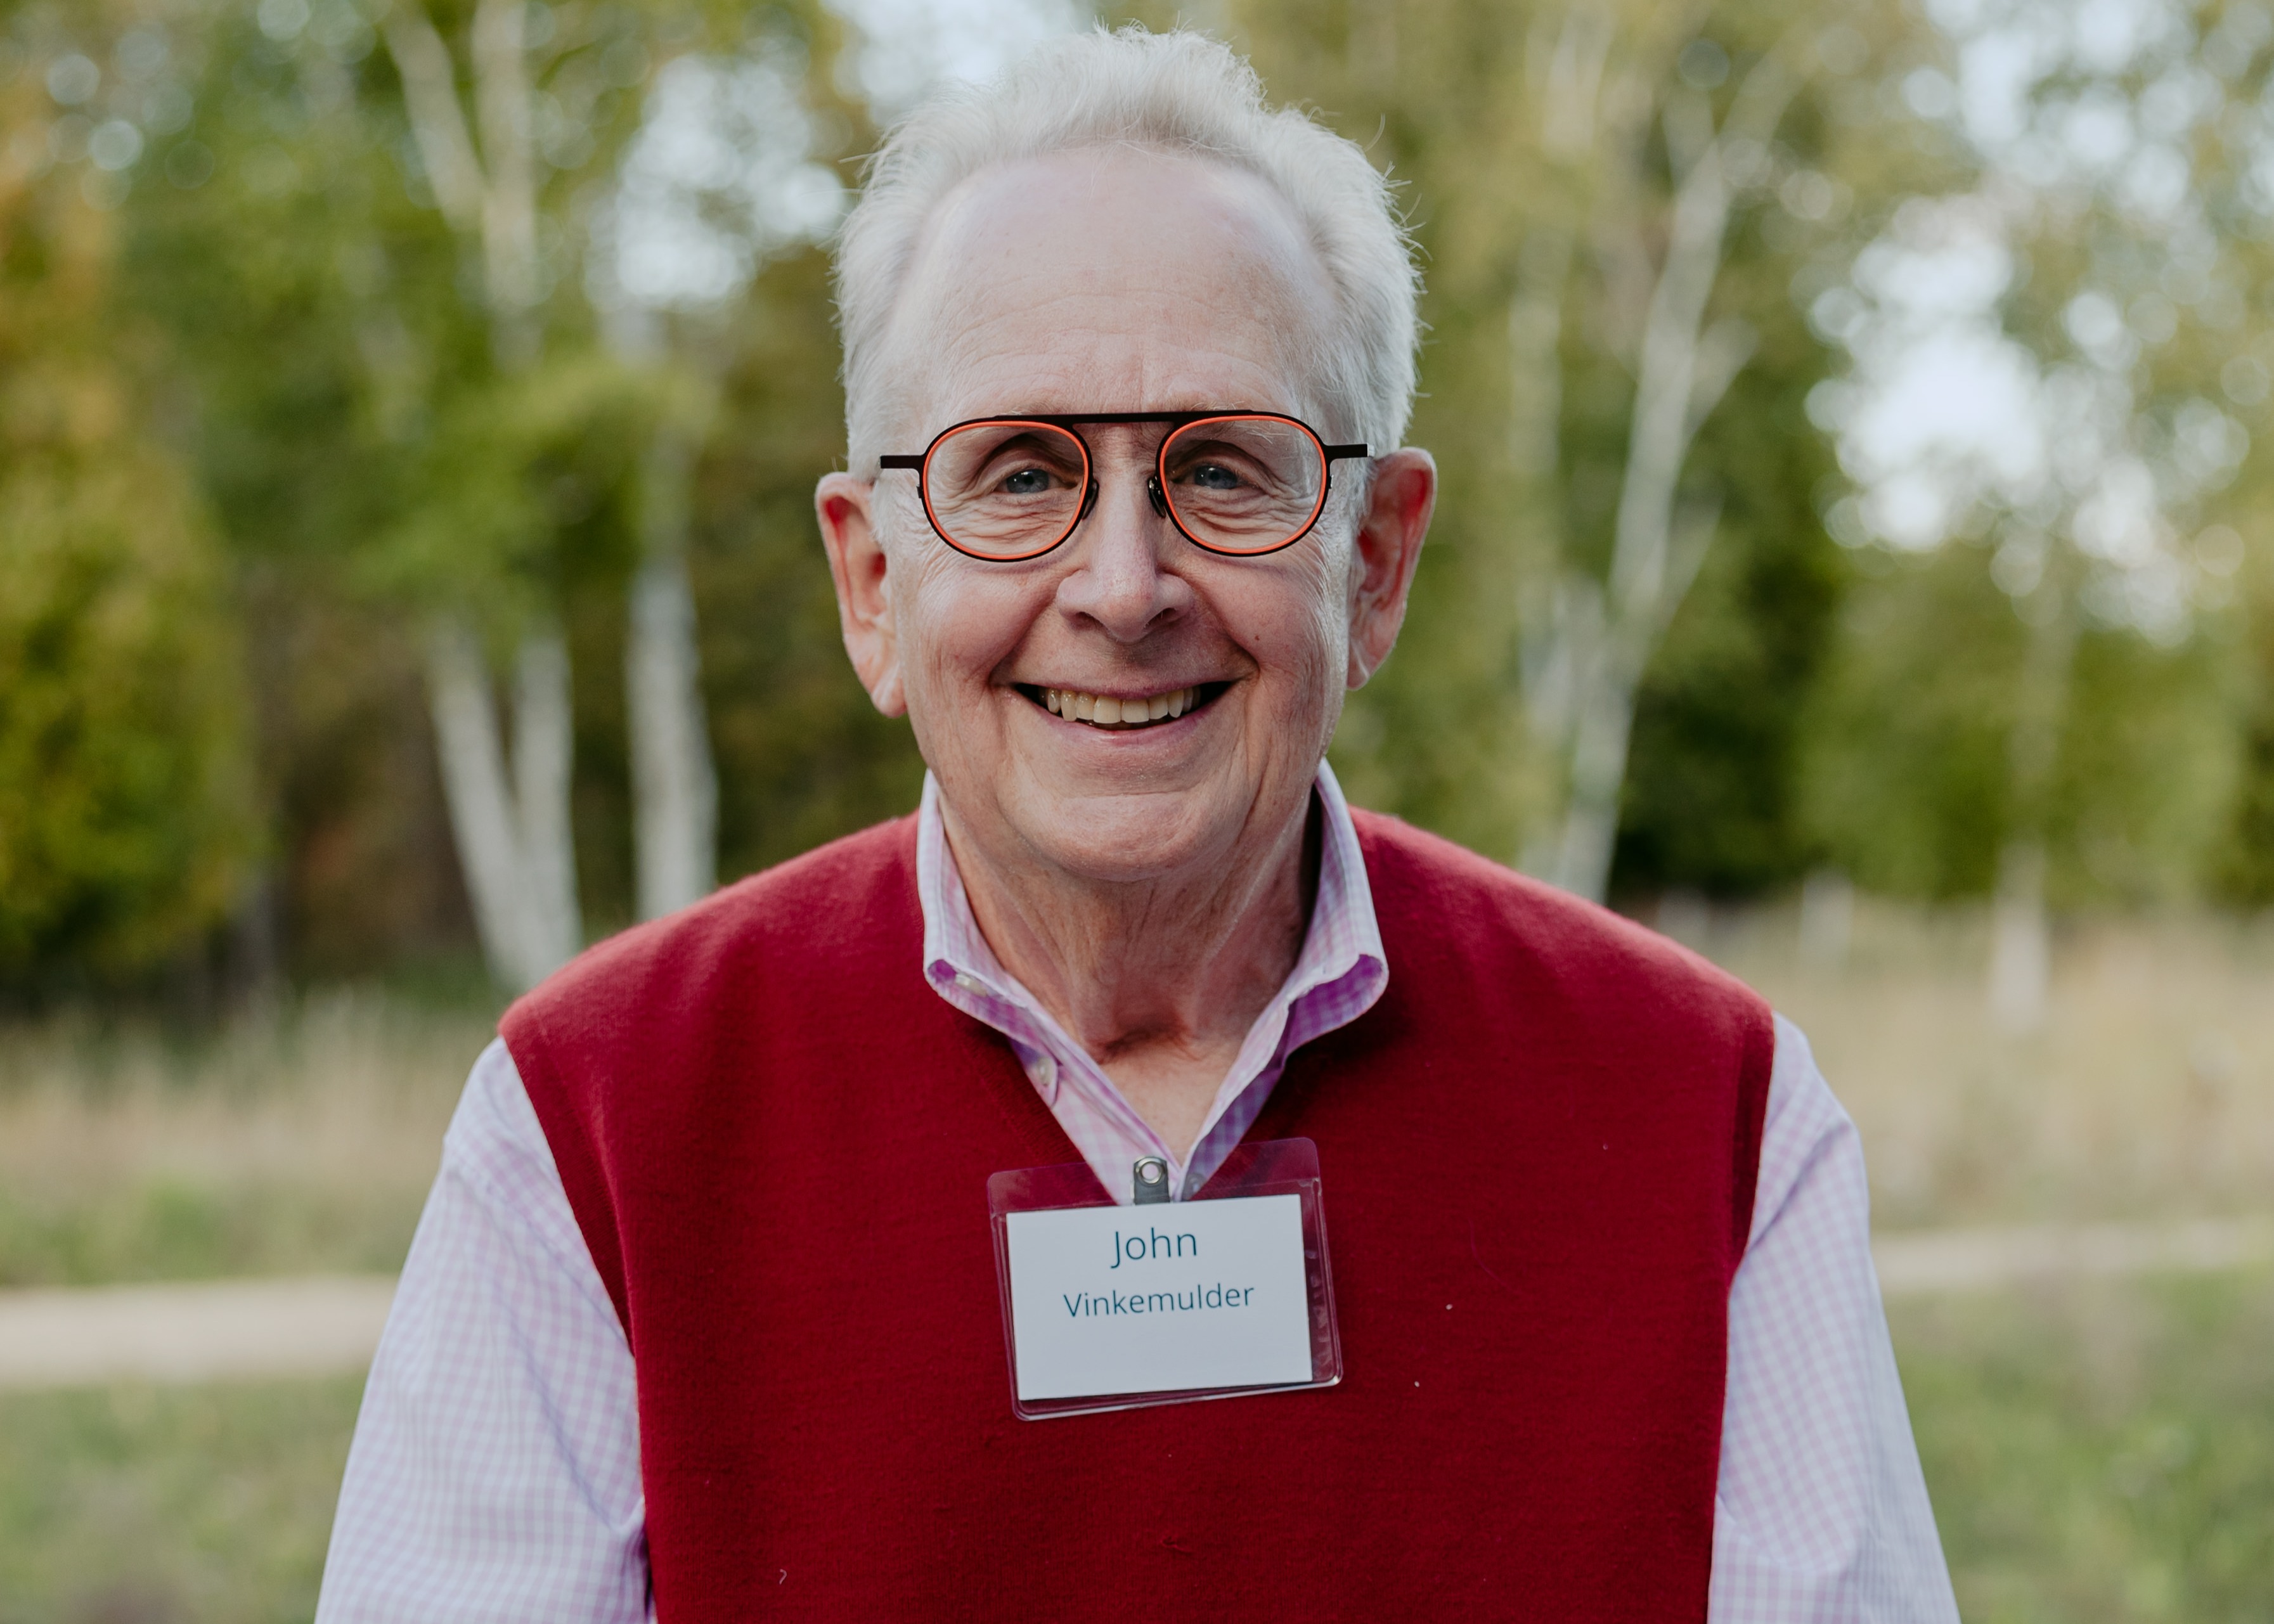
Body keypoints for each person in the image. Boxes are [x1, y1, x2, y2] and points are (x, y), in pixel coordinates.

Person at [318, 27, 1958, 1622]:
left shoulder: (1714, 1116)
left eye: (1226, 470)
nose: (1121, 587)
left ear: (1374, 562)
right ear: (872, 580)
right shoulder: (595, 1124)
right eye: (1019, 472)